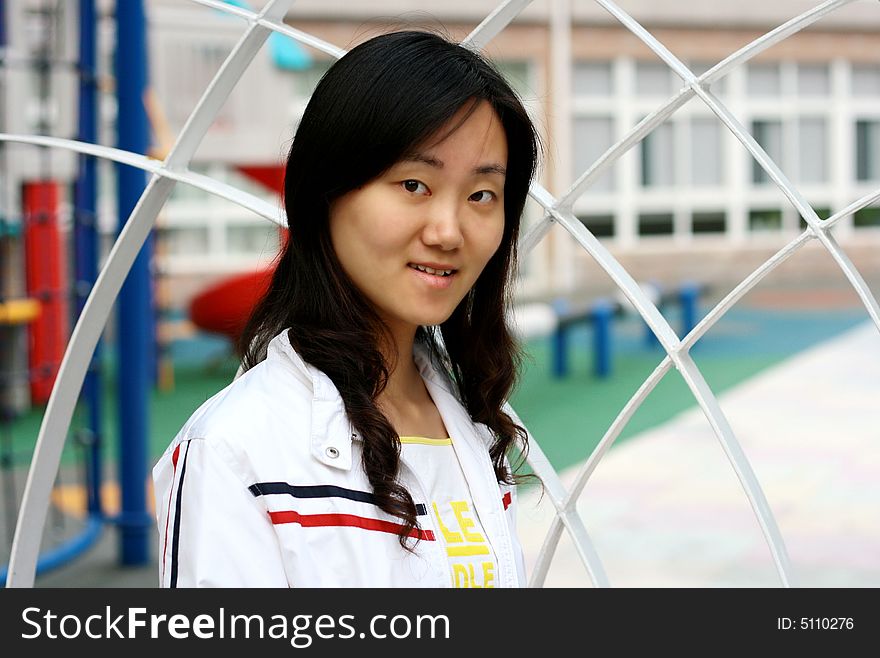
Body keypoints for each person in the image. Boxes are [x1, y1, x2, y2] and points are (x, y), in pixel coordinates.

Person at [153, 29, 540, 587]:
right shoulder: (235, 450)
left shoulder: (473, 421)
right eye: (414, 184)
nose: (449, 231)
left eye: (482, 195)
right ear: (325, 193)